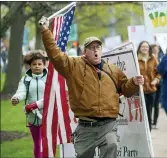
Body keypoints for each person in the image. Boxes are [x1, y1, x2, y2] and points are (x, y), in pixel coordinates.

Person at [38, 16, 144, 158]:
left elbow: (125, 88)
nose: (95, 50)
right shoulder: (73, 66)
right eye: (92, 48)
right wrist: (45, 31)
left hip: (108, 124)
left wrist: (134, 83)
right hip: (86, 126)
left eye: (98, 47)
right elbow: (55, 56)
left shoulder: (112, 69)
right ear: (85, 52)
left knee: (111, 144)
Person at [11, 52, 48, 158]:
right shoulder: (25, 79)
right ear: (30, 66)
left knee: (46, 144)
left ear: (44, 65)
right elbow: (21, 91)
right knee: (37, 143)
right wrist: (16, 98)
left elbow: (52, 95)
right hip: (32, 117)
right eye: (34, 64)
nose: (37, 66)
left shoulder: (49, 79)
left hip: (47, 116)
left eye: (39, 64)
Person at [137, 41, 160, 131]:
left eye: (146, 47)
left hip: (151, 90)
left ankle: (148, 133)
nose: (145, 48)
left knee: (149, 112)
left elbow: (159, 71)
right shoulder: (135, 59)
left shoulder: (153, 59)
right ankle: (142, 132)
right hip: (139, 90)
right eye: (143, 46)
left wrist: (156, 79)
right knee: (142, 112)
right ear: (139, 48)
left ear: (149, 49)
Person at [150, 44, 163, 129]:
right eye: (155, 49)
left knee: (157, 104)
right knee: (151, 104)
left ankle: (155, 122)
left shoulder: (161, 58)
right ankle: (150, 121)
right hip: (151, 84)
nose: (156, 50)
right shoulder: (150, 58)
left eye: (157, 48)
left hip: (159, 84)